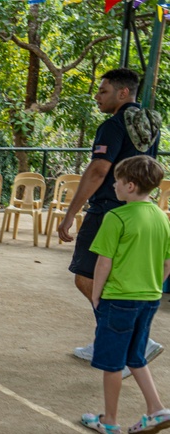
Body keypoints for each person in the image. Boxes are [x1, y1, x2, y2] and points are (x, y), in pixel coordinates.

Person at [57, 68, 163, 368]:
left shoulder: (113, 126)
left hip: (107, 211)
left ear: (123, 93)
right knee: (115, 278)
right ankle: (114, 338)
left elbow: (98, 170)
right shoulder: (150, 126)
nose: (97, 96)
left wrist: (69, 215)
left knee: (85, 276)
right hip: (138, 211)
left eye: (103, 91)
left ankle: (123, 337)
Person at [80, 156, 170, 434]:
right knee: (135, 355)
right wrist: (154, 285)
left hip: (119, 298)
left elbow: (103, 262)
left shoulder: (116, 217)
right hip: (149, 298)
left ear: (130, 186)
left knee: (112, 362)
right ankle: (156, 408)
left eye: (117, 181)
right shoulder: (161, 216)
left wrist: (96, 295)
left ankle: (109, 420)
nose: (114, 186)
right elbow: (167, 263)